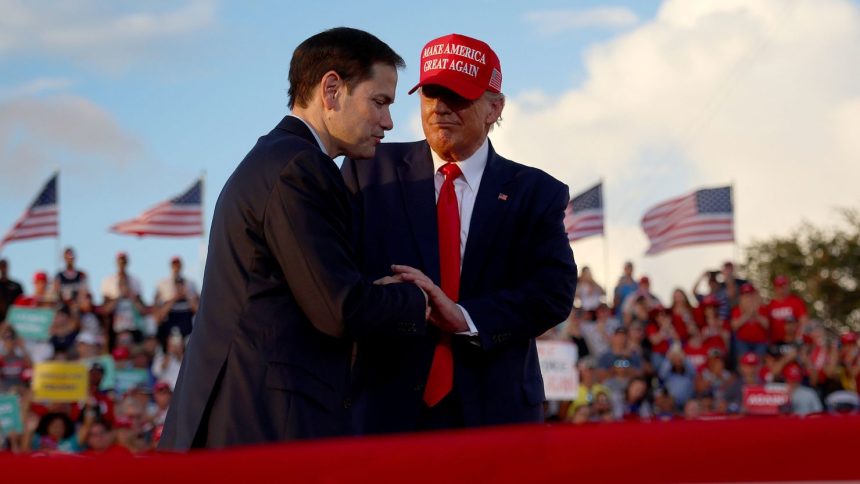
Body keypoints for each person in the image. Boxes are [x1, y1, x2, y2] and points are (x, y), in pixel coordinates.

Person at [159, 27, 428, 450]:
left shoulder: (276, 158)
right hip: (260, 428)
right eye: (379, 101)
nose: (388, 122)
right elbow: (337, 309)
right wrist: (418, 300)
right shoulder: (299, 168)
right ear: (332, 90)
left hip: (241, 419)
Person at [341, 33, 577, 433]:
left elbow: (552, 295)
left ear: (494, 108)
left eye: (457, 94)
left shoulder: (536, 193)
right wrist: (388, 298)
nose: (440, 108)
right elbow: (336, 276)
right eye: (431, 93)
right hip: (386, 412)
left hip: (498, 416)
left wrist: (465, 317)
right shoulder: (368, 171)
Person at [153, 256, 199, 349]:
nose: (176, 267)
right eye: (174, 265)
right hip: (170, 322)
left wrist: (186, 296)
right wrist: (175, 298)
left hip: (187, 322)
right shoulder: (163, 284)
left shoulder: (190, 283)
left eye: (178, 264)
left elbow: (198, 310)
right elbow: (158, 314)